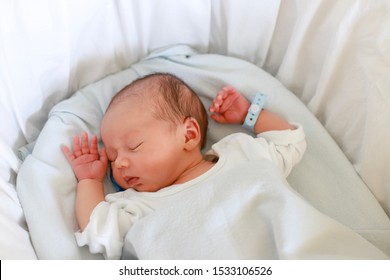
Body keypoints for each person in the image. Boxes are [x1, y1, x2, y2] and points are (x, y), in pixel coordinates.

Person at [62, 73, 306, 259]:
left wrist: (250, 115)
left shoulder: (240, 154)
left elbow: (289, 142)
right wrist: (90, 181)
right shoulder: (139, 205)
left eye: (134, 146)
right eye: (113, 158)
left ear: (189, 135)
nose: (120, 163)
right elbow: (97, 228)